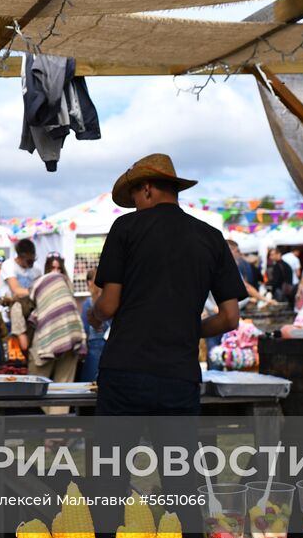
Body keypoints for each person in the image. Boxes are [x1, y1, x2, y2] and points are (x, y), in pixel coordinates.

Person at [86, 154, 247, 415]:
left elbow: (109, 304)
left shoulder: (125, 227)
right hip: (179, 375)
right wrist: (189, 329)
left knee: (114, 457)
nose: (135, 206)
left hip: (125, 369)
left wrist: (95, 314)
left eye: (135, 197)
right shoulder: (212, 237)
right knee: (175, 456)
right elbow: (229, 318)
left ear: (147, 188)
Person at [25, 265, 86, 388]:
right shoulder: (68, 300)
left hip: (44, 346)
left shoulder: (41, 308)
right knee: (63, 391)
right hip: (72, 338)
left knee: (35, 389)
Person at [0, 239, 42, 352]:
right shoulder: (8, 266)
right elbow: (16, 290)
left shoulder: (36, 269)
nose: (31, 263)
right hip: (9, 316)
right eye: (28, 260)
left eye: (33, 259)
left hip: (30, 316)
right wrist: (37, 290)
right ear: (20, 256)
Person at [79, 267, 109, 383]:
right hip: (108, 345)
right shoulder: (108, 301)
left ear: (90, 282)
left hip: (93, 347)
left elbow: (85, 328)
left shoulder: (89, 302)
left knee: (89, 384)